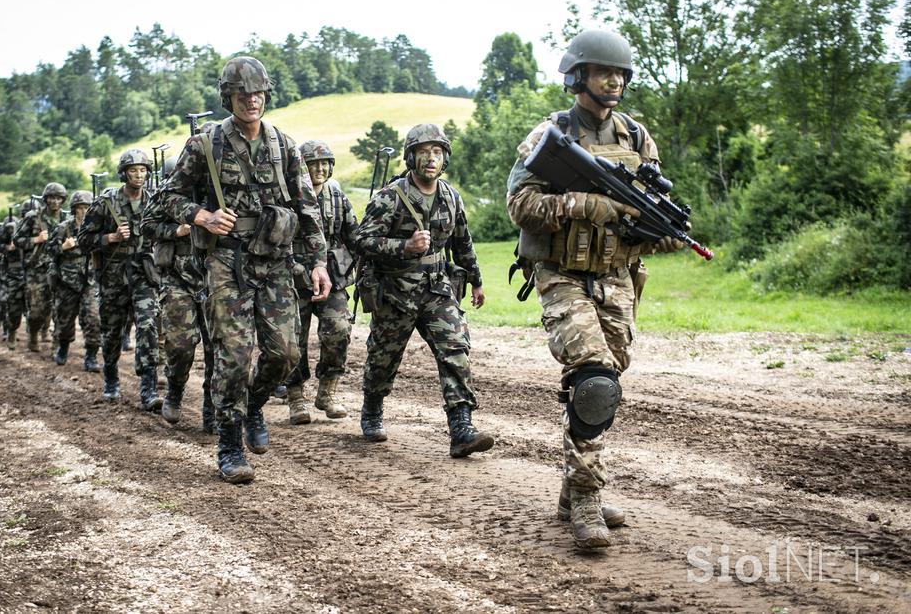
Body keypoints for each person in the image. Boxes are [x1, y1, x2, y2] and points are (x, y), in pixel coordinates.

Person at [506, 29, 681, 550]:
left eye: (622, 73)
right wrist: (585, 205)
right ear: (577, 75)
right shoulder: (549, 135)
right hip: (561, 276)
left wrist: (656, 235)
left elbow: (646, 209)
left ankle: (570, 489)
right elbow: (519, 205)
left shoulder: (635, 137)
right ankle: (585, 498)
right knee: (594, 381)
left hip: (618, 279)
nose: (615, 80)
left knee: (603, 393)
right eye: (605, 71)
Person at [158, 56, 329, 484]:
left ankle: (253, 406)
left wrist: (319, 262)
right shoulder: (205, 144)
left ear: (266, 95)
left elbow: (307, 208)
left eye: (257, 93)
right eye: (241, 93)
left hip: (274, 260)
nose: (251, 100)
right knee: (233, 357)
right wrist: (201, 215)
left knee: (286, 353)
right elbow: (167, 198)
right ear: (228, 97)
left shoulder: (284, 145)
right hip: (225, 261)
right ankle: (230, 444)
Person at [355, 123, 493, 458]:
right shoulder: (389, 198)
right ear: (410, 157)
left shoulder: (450, 197)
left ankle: (461, 427)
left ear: (444, 159)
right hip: (394, 292)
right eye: (423, 153)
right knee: (383, 359)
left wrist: (475, 279)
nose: (430, 159)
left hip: (436, 289)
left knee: (455, 347)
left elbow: (462, 241)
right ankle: (372, 408)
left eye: (437, 153)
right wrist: (404, 246)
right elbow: (361, 239)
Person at [280, 140, 358, 424]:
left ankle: (328, 391)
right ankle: (296, 397)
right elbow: (277, 240)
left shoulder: (338, 198)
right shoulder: (288, 198)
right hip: (293, 280)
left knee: (339, 329)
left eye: (325, 163)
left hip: (333, 279)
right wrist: (295, 266)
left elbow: (354, 235)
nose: (321, 169)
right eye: (314, 164)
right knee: (293, 342)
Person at [79, 149, 163, 412]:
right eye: (133, 170)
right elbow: (83, 241)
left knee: (148, 327)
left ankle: (148, 388)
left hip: (144, 274)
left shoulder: (154, 201)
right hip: (113, 277)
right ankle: (111, 377)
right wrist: (110, 238)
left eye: (143, 170)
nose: (139, 175)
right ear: (124, 173)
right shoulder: (106, 203)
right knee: (112, 333)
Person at [142, 151, 216, 434]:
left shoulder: (217, 192)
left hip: (213, 277)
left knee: (216, 349)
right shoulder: (168, 194)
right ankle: (174, 389)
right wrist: (177, 230)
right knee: (180, 345)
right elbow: (146, 226)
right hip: (177, 278)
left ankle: (212, 409)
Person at [48, 189, 101, 372]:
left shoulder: (97, 227)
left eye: (87, 207)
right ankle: (63, 347)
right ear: (73, 209)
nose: (84, 211)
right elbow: (49, 251)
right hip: (67, 282)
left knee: (94, 318)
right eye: (80, 208)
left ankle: (91, 356)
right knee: (64, 320)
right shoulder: (64, 228)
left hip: (90, 281)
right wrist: (63, 247)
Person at [15, 183, 67, 352]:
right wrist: (36, 239)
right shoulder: (33, 217)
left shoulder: (66, 218)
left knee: (60, 309)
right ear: (45, 199)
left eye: (59, 198)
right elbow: (17, 240)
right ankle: (33, 334)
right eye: (51, 198)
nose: (55, 201)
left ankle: (57, 344)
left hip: (60, 269)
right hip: (37, 270)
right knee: (37, 310)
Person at [0, 212, 26, 350]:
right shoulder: (11, 228)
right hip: (14, 274)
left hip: (33, 271)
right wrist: (8, 247)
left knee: (38, 307)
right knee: (14, 306)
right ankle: (11, 331)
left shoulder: (40, 226)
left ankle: (35, 335)